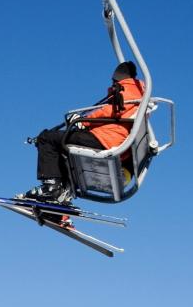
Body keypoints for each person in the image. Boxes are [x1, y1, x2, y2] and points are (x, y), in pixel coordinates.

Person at [20, 60, 145, 205]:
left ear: (118, 77)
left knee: (47, 138)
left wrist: (83, 120)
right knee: (62, 146)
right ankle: (62, 194)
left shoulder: (126, 91)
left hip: (104, 139)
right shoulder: (138, 93)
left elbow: (110, 111)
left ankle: (51, 188)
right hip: (110, 138)